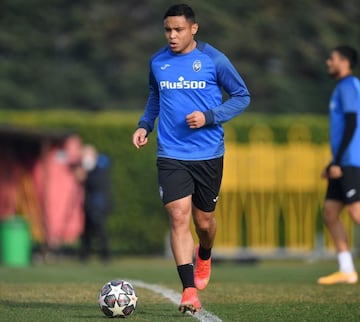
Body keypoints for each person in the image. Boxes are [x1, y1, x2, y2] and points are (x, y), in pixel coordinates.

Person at [132, 4, 250, 313]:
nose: (172, 36)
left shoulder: (213, 60)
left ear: (193, 29)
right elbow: (155, 96)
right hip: (171, 153)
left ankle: (205, 253)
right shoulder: (158, 62)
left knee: (204, 222)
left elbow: (242, 96)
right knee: (178, 215)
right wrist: (145, 125)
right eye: (168, 30)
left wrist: (210, 116)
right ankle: (188, 290)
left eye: (178, 30)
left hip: (208, 153)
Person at [318, 46, 360, 285]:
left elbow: (353, 124)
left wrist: (338, 161)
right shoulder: (341, 87)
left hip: (352, 161)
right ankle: (347, 270)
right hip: (342, 161)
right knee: (331, 212)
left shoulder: (349, 85)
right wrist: (332, 163)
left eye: (331, 58)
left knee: (356, 214)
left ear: (344, 62)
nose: (328, 62)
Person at [78, 144, 113, 262]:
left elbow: (100, 177)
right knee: (87, 230)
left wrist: (91, 165)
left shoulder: (101, 162)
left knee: (100, 229)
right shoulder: (86, 167)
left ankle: (105, 254)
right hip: (89, 202)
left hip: (99, 201)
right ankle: (85, 255)